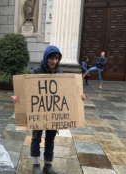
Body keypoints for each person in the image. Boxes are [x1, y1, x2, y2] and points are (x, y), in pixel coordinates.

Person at [11, 46, 85, 174]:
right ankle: (36, 165)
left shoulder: (60, 73)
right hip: (39, 113)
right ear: (46, 58)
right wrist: (17, 98)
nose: (54, 61)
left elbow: (68, 92)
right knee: (36, 137)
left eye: (57, 58)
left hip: (53, 113)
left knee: (50, 138)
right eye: (51, 58)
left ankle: (48, 165)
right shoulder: (35, 71)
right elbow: (25, 90)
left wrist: (79, 97)